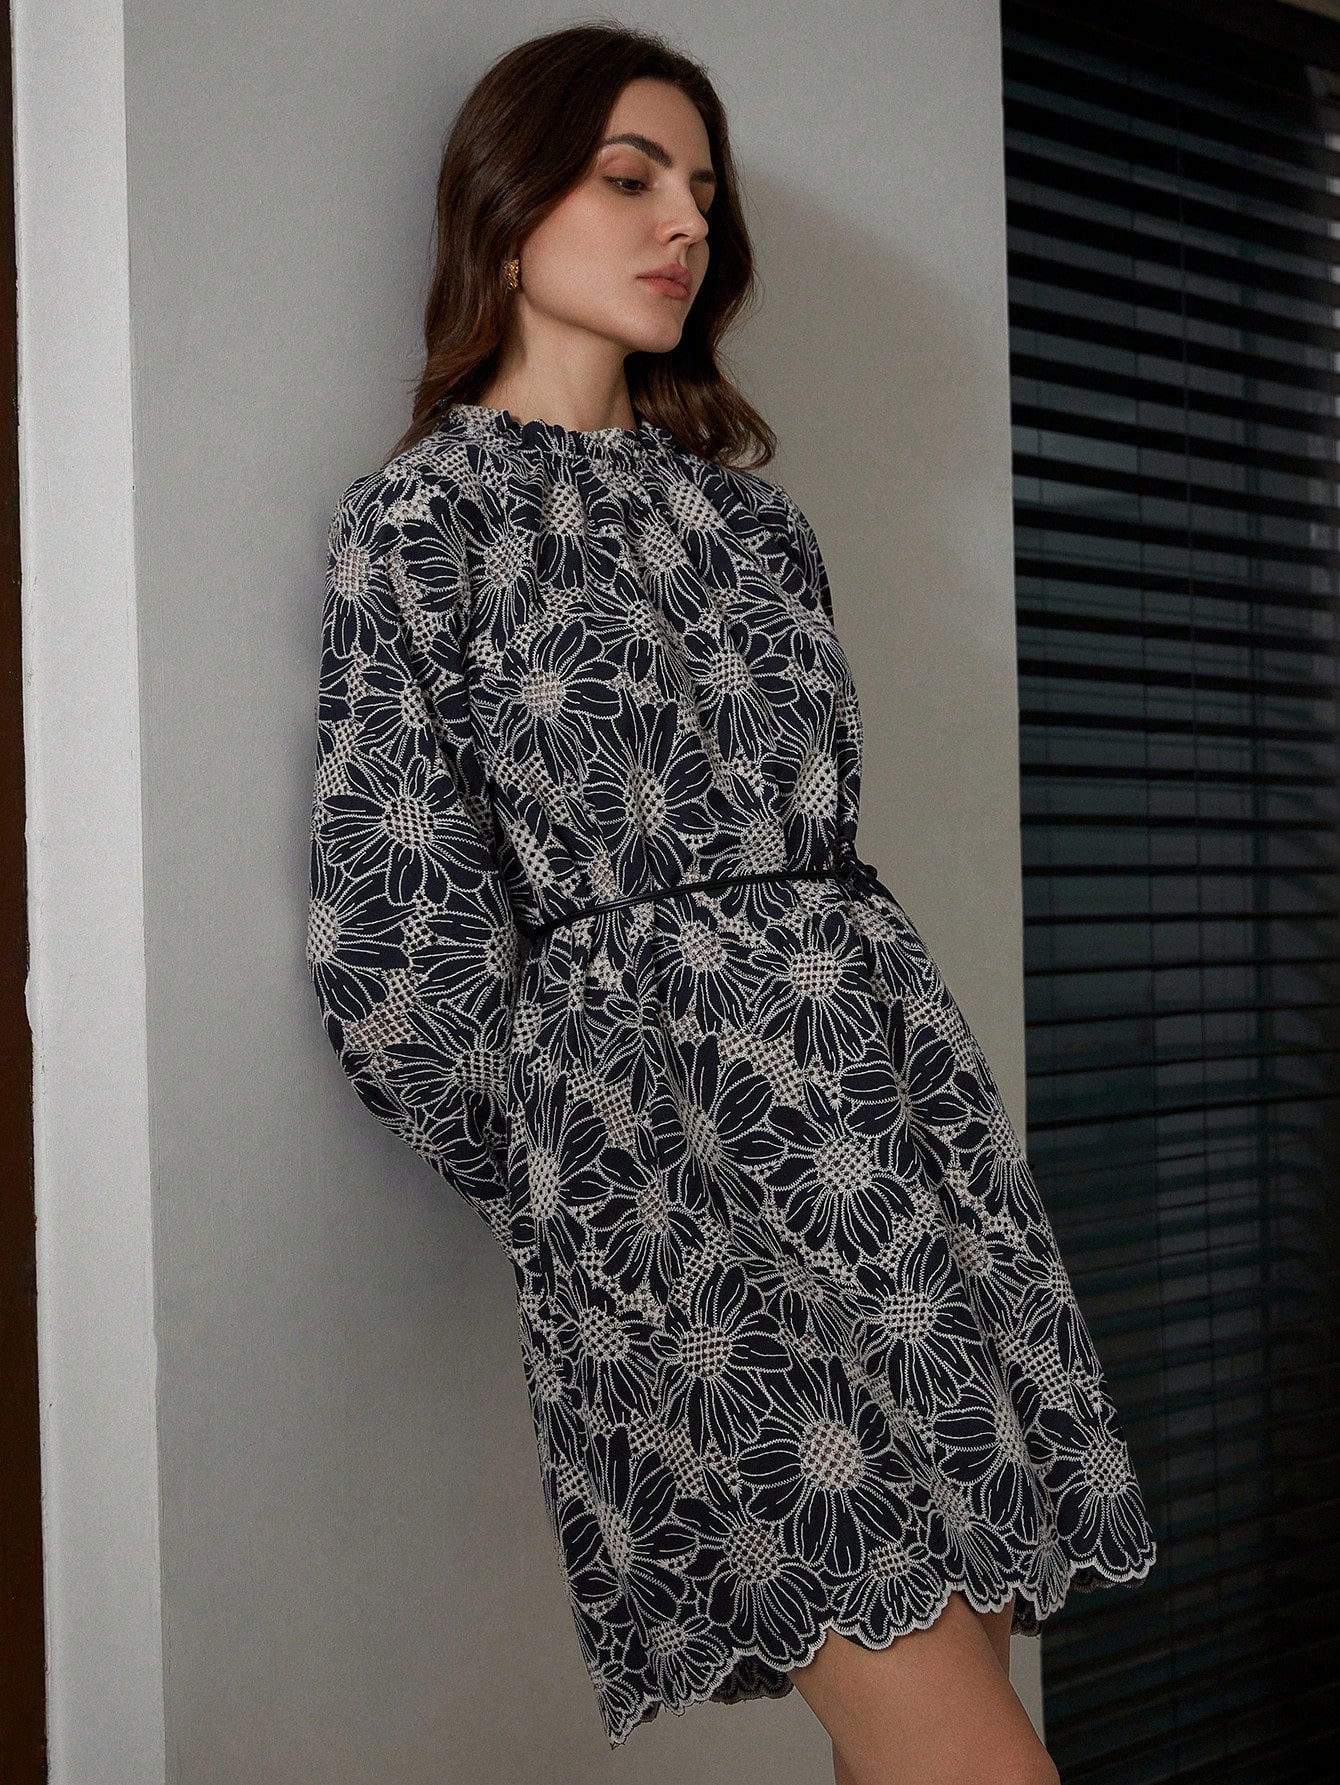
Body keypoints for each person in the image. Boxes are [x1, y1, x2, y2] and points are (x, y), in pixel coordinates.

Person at [306, 20, 1156, 1780]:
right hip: (673, 1179)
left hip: (893, 1136)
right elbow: (387, 936)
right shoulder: (422, 522)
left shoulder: (758, 532)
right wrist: (591, 1164)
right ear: (507, 205)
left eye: (700, 189)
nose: (684, 221)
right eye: (630, 178)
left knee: (947, 1696)